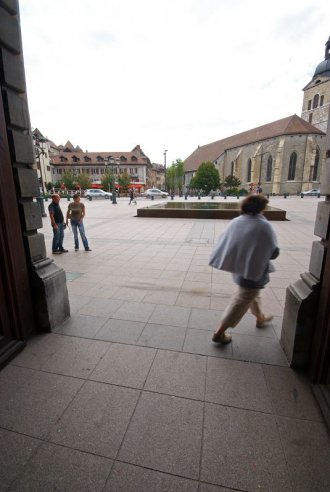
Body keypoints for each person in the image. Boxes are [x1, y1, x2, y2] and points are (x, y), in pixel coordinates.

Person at [209, 194, 279, 344]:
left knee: (251, 294)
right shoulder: (264, 225)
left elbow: (225, 241)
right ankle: (219, 333)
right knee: (241, 300)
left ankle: (260, 317)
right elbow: (274, 253)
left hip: (239, 268)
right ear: (261, 208)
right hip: (255, 270)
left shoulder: (236, 221)